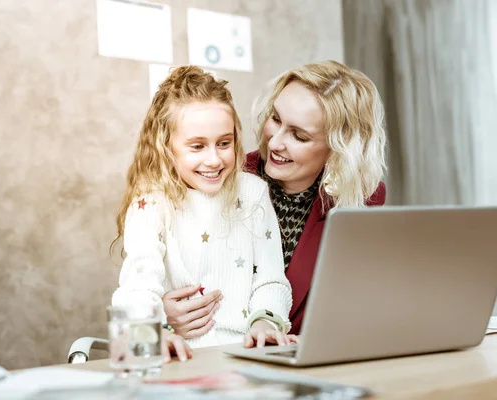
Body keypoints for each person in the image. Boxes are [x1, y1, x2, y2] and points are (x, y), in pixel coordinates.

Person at [162, 60, 387, 344]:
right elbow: (153, 277)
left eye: (299, 135)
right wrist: (162, 318)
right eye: (276, 119)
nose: (275, 142)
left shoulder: (361, 199)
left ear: (338, 149)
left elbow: (357, 305)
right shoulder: (216, 176)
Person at [111, 66, 296, 363]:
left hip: (246, 357)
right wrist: (155, 332)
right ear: (165, 147)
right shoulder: (151, 202)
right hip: (183, 359)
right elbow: (137, 286)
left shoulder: (253, 193)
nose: (214, 159)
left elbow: (271, 279)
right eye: (197, 146)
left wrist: (266, 323)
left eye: (224, 143)